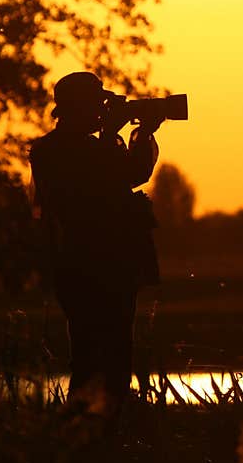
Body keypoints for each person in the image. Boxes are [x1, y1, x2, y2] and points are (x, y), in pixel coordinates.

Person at [29, 71, 162, 418]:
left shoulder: (60, 147)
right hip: (90, 261)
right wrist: (115, 133)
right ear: (78, 107)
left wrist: (142, 131)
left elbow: (129, 172)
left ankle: (97, 428)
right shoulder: (55, 150)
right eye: (96, 103)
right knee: (96, 354)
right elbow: (110, 176)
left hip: (98, 261)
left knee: (114, 350)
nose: (102, 110)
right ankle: (90, 430)